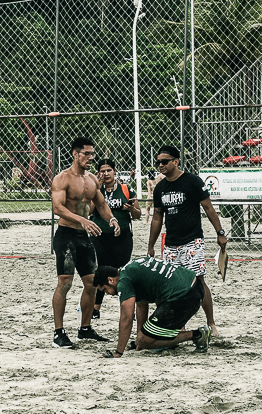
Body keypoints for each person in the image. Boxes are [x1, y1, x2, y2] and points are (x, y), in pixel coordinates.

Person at [146, 144, 228, 337]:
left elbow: (208, 208)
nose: (160, 165)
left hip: (192, 240)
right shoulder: (160, 188)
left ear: (176, 161)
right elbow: (158, 217)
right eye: (158, 162)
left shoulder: (192, 181)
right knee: (169, 284)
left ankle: (211, 323)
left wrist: (220, 232)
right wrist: (150, 245)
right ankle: (177, 325)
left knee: (198, 281)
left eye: (164, 162)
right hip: (171, 243)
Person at [50, 137, 120, 347]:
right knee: (65, 283)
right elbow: (57, 208)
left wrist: (112, 219)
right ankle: (58, 333)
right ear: (75, 154)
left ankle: (85, 328)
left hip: (83, 236)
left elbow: (100, 203)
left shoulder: (91, 180)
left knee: (92, 284)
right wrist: (81, 219)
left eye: (92, 154)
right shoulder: (62, 179)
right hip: (66, 235)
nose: (91, 158)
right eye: (86, 154)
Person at [93, 259, 210, 357]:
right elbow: (141, 305)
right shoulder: (129, 269)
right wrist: (140, 338)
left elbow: (126, 319)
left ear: (110, 280)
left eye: (104, 289)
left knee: (144, 341)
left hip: (183, 297)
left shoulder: (123, 282)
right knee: (143, 339)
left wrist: (118, 352)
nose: (107, 293)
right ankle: (169, 341)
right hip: (195, 287)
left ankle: (197, 335)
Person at [91, 159, 139, 320]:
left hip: (122, 235)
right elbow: (89, 210)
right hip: (101, 235)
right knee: (102, 270)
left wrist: (132, 209)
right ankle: (96, 307)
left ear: (115, 171)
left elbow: (138, 214)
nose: (106, 174)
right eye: (102, 171)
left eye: (109, 170)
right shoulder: (95, 189)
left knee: (123, 270)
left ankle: (127, 307)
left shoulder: (126, 189)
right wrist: (96, 189)